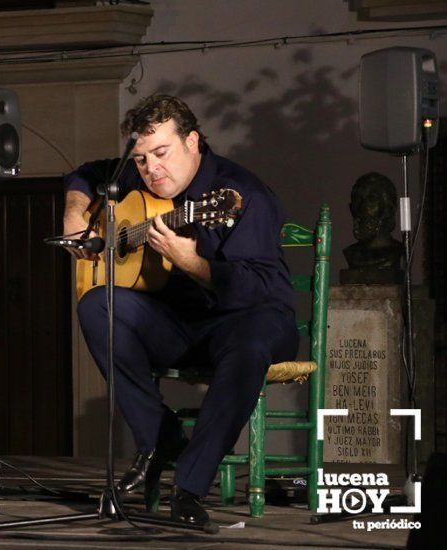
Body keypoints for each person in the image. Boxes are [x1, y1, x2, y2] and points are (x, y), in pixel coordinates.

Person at [63, 94, 298, 525]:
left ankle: (189, 487)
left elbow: (261, 287)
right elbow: (86, 174)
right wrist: (76, 211)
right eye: (141, 160)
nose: (151, 169)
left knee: (247, 346)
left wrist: (193, 263)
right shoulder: (139, 181)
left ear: (192, 142)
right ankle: (160, 436)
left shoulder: (242, 193)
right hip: (183, 324)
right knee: (99, 303)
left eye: (161, 153)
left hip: (252, 319)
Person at [340, 171, 403, 284]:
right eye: (358, 200)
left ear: (388, 209)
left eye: (371, 200)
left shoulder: (396, 252)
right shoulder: (351, 253)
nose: (362, 208)